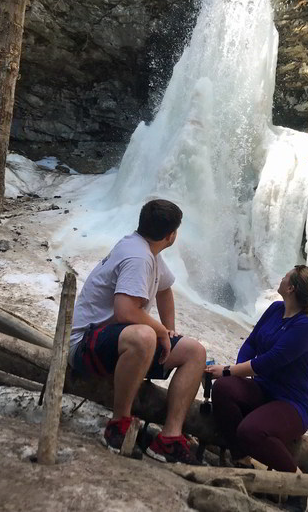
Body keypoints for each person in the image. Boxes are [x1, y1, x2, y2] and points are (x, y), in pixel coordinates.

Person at [69, 199, 206, 464]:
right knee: (144, 335)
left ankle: (169, 438)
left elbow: (165, 289)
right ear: (171, 235)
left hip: (115, 343)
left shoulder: (147, 251)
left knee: (194, 352)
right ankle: (118, 424)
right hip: (85, 344)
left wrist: (170, 330)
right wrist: (160, 332)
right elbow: (125, 311)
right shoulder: (138, 257)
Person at [206, 265, 308, 473]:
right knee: (224, 388)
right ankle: (241, 459)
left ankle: (299, 485)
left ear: (291, 288)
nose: (282, 278)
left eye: (286, 276)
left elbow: (268, 362)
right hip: (262, 389)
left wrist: (227, 370)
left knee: (250, 431)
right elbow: (251, 344)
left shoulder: (307, 326)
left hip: (291, 402)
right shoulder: (276, 309)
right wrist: (237, 377)